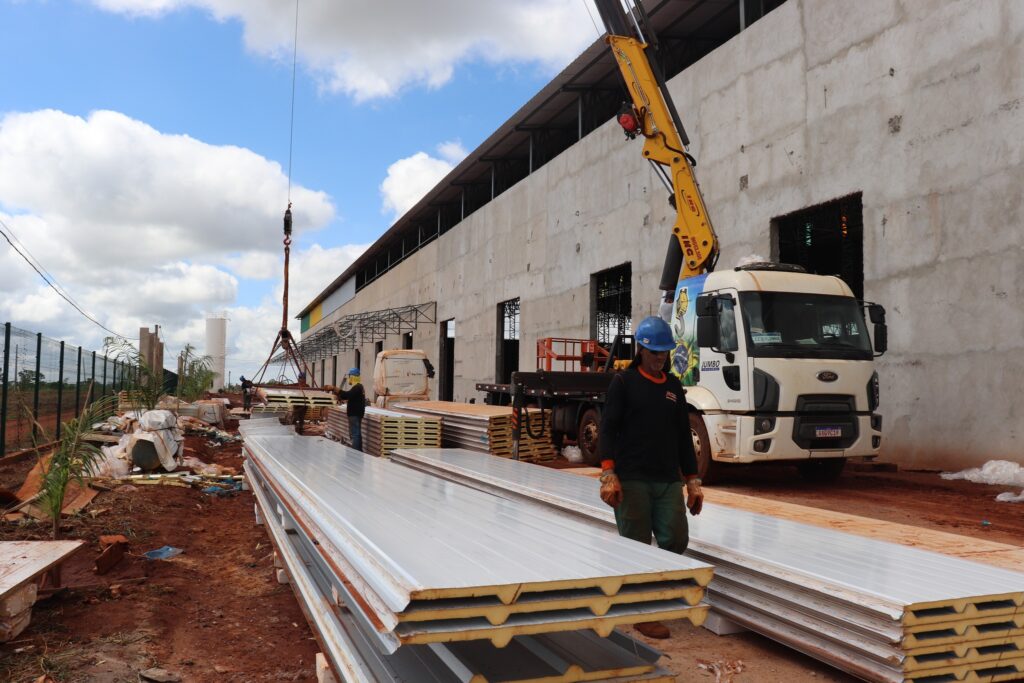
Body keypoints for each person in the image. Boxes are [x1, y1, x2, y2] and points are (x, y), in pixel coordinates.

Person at [597, 315, 705, 640]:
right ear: (641, 349)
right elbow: (607, 429)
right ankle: (642, 612)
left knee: (675, 538)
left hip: (666, 479)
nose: (660, 358)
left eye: (664, 352)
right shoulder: (624, 383)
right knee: (636, 545)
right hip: (632, 480)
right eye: (654, 352)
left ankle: (650, 596)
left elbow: (683, 437)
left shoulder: (673, 387)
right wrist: (608, 473)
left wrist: (692, 479)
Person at [326, 368, 366, 451]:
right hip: (355, 413)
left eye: (349, 376)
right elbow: (346, 396)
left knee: (355, 434)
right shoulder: (358, 387)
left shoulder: (357, 387)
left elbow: (347, 395)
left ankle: (356, 452)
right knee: (356, 433)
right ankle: (359, 450)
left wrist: (334, 388)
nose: (348, 378)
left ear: (353, 377)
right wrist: (338, 394)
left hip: (354, 414)